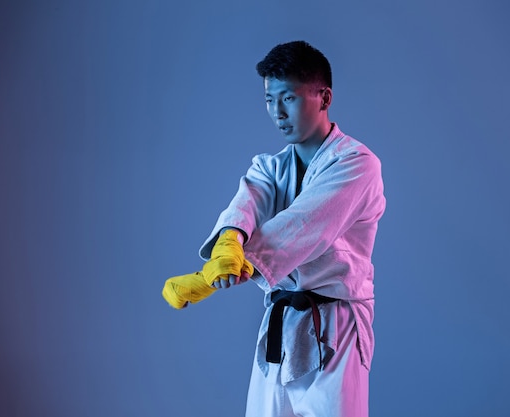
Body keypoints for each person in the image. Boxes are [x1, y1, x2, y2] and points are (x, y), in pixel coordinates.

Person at [162, 40, 386, 417]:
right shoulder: (271, 167)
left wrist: (212, 276)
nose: (277, 113)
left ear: (324, 96)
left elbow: (305, 225)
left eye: (288, 98)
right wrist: (227, 244)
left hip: (336, 326)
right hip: (281, 323)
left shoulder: (358, 165)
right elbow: (248, 201)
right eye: (269, 100)